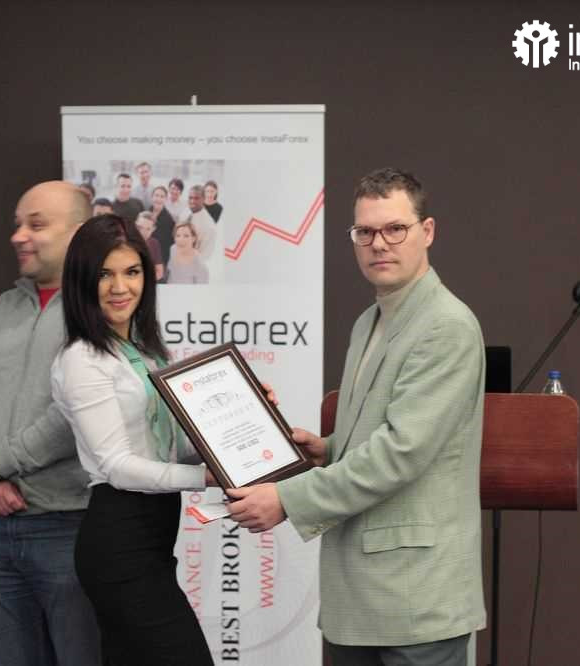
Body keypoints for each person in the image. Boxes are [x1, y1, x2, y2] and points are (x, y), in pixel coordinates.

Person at [227, 167, 487, 666]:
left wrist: (286, 498)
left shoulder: (446, 325)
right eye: (364, 232)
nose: (378, 244)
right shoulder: (369, 321)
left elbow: (400, 454)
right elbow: (386, 433)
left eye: (395, 229)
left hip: (418, 599)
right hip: (359, 596)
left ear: (427, 231)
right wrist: (327, 449)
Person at [51, 214, 213, 665]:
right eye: (105, 274)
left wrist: (238, 428)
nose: (120, 287)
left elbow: (169, 447)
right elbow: (118, 466)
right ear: (83, 280)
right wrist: (205, 478)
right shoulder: (83, 359)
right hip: (119, 541)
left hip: (153, 539)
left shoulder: (147, 352)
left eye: (132, 271)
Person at [0, 180, 103, 666]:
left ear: (78, 233)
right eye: (18, 224)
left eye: (36, 224)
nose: (19, 236)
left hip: (70, 526)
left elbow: (74, 414)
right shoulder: (7, 305)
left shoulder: (101, 307)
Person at [187, 185, 218, 260]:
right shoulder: (186, 212)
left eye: (196, 198)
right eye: (190, 198)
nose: (192, 201)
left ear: (204, 199)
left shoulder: (208, 225)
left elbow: (205, 255)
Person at [148, 185, 175, 267]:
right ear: (152, 197)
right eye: (156, 195)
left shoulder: (169, 220)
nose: (158, 199)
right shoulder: (146, 212)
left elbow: (168, 246)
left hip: (159, 260)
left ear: (166, 199)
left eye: (162, 196)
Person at [135, 211, 165, 281]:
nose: (143, 232)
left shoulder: (154, 243)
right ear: (135, 225)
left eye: (148, 229)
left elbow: (160, 272)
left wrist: (146, 281)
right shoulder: (126, 243)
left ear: (153, 229)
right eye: (140, 227)